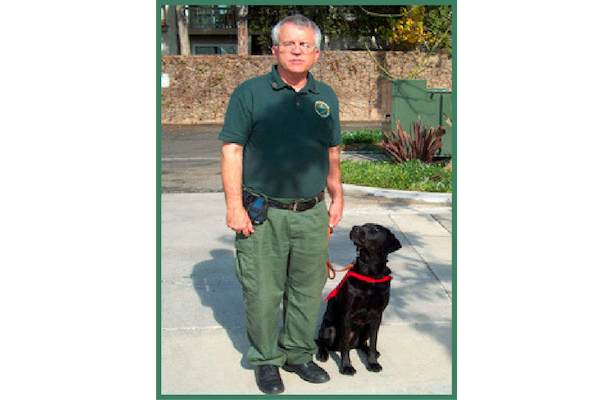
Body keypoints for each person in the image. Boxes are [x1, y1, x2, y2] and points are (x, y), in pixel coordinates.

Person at [218, 14, 343, 394]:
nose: (297, 50)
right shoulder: (250, 93)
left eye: (305, 44)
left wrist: (337, 196)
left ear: (317, 53)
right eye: (289, 43)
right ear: (274, 50)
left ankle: (298, 353)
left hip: (310, 213)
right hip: (263, 214)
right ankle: (266, 360)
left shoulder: (325, 97)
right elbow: (232, 150)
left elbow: (332, 152)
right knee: (263, 292)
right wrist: (234, 206)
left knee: (307, 288)